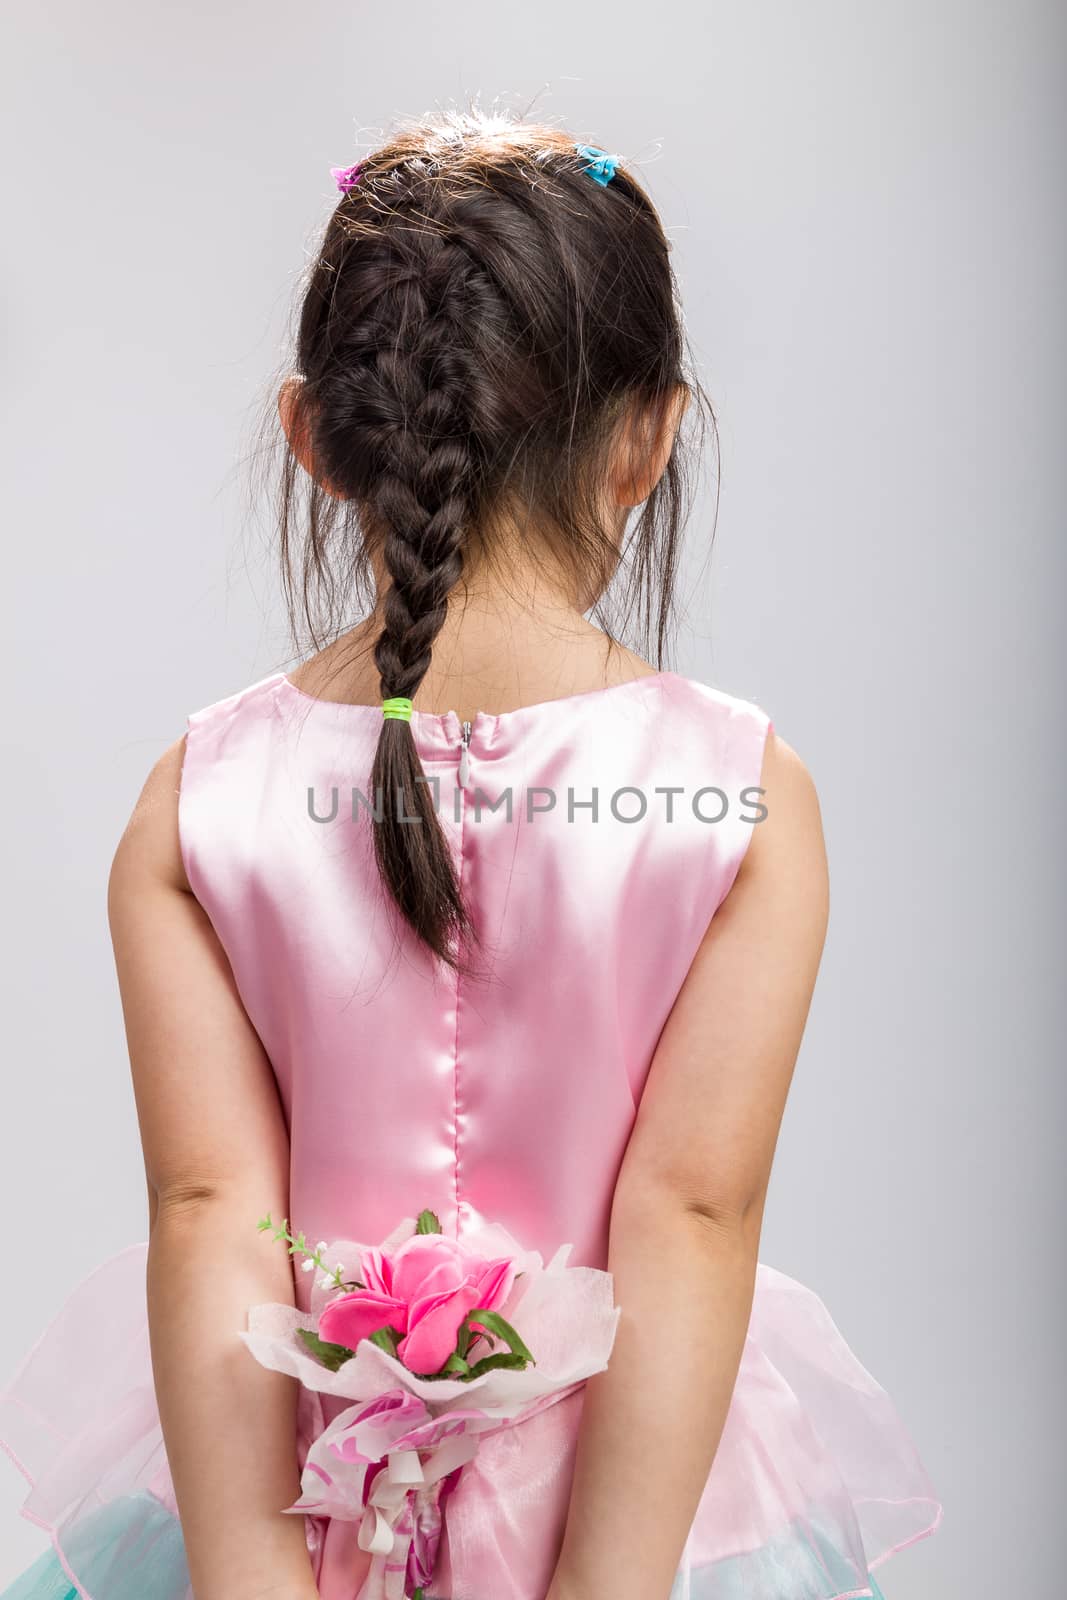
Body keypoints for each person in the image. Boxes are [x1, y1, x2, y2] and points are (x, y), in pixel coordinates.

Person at [0, 109, 940, 1600]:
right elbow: (689, 1214)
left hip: (295, 1503)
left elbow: (208, 1215)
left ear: (314, 438)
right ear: (651, 437)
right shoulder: (743, 794)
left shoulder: (198, 803)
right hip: (641, 1523)